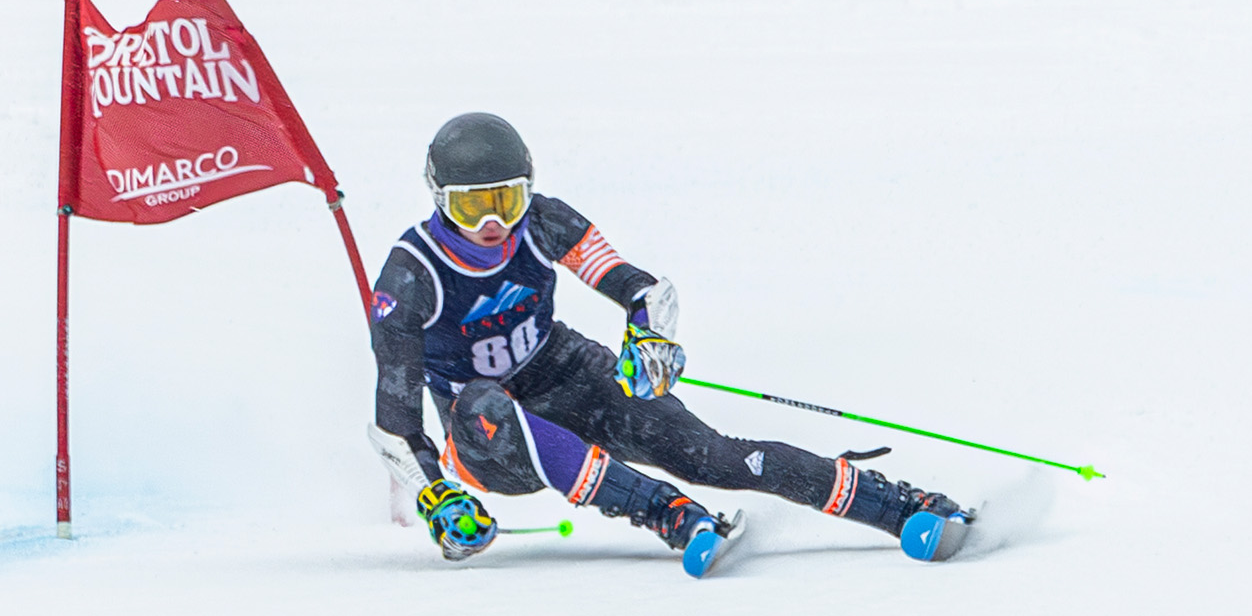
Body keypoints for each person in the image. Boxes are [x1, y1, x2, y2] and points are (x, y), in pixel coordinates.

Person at [367, 112, 967, 562]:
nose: (494, 224)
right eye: (474, 209)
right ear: (440, 200)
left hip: (562, 375)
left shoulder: (543, 220)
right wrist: (437, 497)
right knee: (483, 400)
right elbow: (394, 422)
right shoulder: (411, 274)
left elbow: (642, 290)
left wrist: (650, 339)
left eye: (507, 201)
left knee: (712, 454)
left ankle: (897, 507)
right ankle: (665, 511)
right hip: (488, 442)